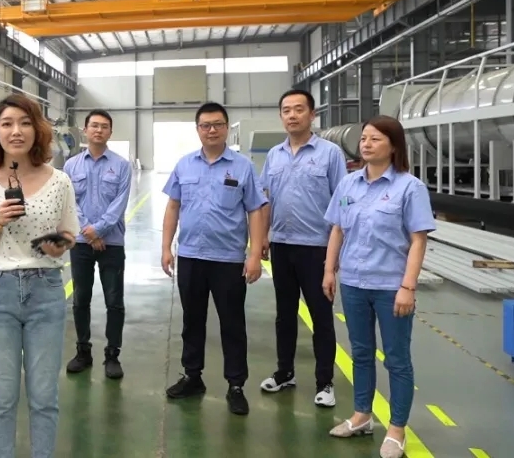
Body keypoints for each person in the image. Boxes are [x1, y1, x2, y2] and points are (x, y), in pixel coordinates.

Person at [0, 93, 80, 458]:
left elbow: (69, 234)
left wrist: (58, 246)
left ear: (37, 130)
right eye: (7, 123)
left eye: (25, 123)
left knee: (44, 397)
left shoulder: (60, 181)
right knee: (1, 397)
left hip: (46, 291)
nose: (16, 131)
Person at [322, 116, 434, 458]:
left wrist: (408, 287)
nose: (366, 144)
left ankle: (397, 429)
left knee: (397, 359)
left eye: (375, 139)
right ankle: (362, 416)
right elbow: (338, 229)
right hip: (353, 283)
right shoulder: (349, 184)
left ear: (394, 146)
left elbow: (418, 240)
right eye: (364, 139)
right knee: (361, 352)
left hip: (390, 286)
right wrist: (329, 271)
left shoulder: (409, 187)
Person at [161, 101, 268, 415]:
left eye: (218, 124)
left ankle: (236, 385)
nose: (211, 130)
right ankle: (192, 376)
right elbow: (172, 207)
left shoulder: (242, 166)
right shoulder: (184, 165)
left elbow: (255, 210)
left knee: (232, 324)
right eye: (205, 125)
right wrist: (166, 248)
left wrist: (254, 255)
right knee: (191, 321)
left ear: (226, 128)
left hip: (228, 260)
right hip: (191, 256)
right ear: (197, 129)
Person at [258, 89, 347, 408]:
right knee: (284, 315)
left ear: (312, 114)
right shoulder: (274, 155)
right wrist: (263, 236)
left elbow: (343, 201)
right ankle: (285, 372)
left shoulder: (330, 154)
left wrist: (336, 252)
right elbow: (265, 197)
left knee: (321, 316)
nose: (292, 115)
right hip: (281, 246)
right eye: (286, 110)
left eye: (298, 109)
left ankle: (325, 382)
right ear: (281, 116)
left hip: (317, 248)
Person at [63, 109, 132, 379]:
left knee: (114, 301)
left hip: (112, 243)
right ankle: (83, 351)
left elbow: (119, 204)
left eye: (104, 126)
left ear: (110, 132)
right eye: (94, 125)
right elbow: (70, 203)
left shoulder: (122, 165)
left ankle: (112, 355)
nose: (99, 130)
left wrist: (99, 230)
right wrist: (89, 232)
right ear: (85, 130)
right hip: (81, 243)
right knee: (81, 299)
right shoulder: (71, 166)